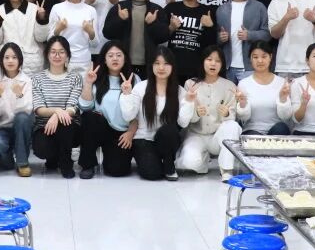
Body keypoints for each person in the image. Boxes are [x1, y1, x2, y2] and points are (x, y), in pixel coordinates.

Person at [120, 46, 193, 181]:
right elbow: (128, 116)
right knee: (152, 174)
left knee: (169, 130)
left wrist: (189, 102)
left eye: (166, 63)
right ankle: (156, 161)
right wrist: (127, 94)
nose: (161, 68)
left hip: (167, 140)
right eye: (157, 63)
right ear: (151, 66)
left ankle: (169, 163)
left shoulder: (180, 91)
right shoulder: (140, 87)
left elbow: (183, 123)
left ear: (172, 66)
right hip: (144, 138)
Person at [176, 46, 241, 180]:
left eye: (217, 61)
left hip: (217, 137)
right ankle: (202, 160)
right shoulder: (190, 84)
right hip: (196, 135)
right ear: (202, 61)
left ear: (222, 64)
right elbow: (185, 119)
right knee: (189, 163)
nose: (213, 64)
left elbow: (232, 117)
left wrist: (227, 114)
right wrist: (196, 113)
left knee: (233, 126)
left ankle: (226, 169)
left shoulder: (229, 86)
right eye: (209, 59)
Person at [78, 41, 137, 178]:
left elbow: (139, 112)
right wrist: (88, 83)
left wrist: (130, 132)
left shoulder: (134, 80)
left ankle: (110, 158)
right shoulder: (97, 79)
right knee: (89, 117)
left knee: (117, 171)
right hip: (101, 126)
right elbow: (85, 107)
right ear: (104, 60)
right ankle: (88, 164)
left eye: (119, 55)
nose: (115, 58)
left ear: (125, 58)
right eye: (110, 55)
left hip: (122, 132)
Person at [31, 36, 83, 178]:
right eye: (53, 52)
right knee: (41, 148)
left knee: (65, 122)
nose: (57, 56)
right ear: (47, 55)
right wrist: (57, 110)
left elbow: (72, 107)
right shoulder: (37, 79)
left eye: (61, 52)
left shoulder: (75, 78)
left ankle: (66, 163)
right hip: (45, 126)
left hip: (70, 126)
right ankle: (53, 157)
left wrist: (57, 115)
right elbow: (39, 109)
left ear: (67, 55)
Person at [102, 0, 169, 76]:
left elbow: (164, 37)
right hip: (122, 63)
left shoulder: (156, 9)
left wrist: (153, 24)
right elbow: (107, 34)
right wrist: (120, 20)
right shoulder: (120, 7)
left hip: (148, 64)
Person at [0, 42, 35, 174]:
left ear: (20, 60)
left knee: (22, 118)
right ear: (1, 60)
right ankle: (6, 155)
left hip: (21, 128)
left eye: (14, 57)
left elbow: (27, 111)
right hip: (2, 127)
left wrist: (19, 95)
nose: (10, 61)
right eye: (6, 57)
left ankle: (22, 163)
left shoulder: (27, 81)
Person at [0, 0, 50, 77]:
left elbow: (41, 38)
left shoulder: (35, 9)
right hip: (7, 61)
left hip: (31, 62)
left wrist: (41, 18)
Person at [216, 0, 270, 84]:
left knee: (249, 96)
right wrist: (220, 38)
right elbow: (214, 38)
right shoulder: (221, 9)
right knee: (227, 96)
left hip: (250, 67)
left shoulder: (259, 7)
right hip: (227, 67)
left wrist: (249, 35)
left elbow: (267, 34)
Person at [162, 0, 218, 81]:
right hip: (172, 67)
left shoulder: (207, 11)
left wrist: (210, 26)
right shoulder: (171, 8)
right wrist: (171, 28)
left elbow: (212, 44)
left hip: (197, 68)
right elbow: (160, 37)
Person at [234, 41, 291, 136]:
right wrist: (243, 104)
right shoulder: (244, 84)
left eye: (264, 57)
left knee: (282, 128)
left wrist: (283, 99)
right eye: (255, 57)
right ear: (250, 59)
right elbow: (243, 118)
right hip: (252, 131)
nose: (260, 61)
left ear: (270, 57)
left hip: (276, 132)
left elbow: (286, 117)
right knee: (253, 136)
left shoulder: (281, 83)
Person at [48, 0, 98, 69]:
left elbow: (95, 44)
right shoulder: (57, 8)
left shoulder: (90, 10)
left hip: (84, 61)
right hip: (62, 60)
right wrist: (58, 30)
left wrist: (91, 32)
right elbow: (49, 40)